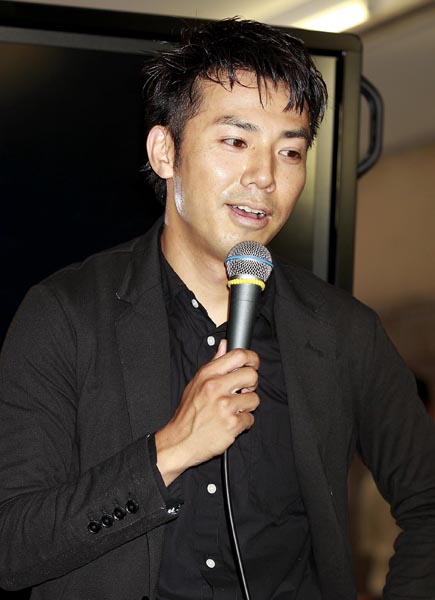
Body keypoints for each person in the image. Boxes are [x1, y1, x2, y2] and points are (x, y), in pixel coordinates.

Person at [1, 17, 435, 600]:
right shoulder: (65, 315)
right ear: (165, 152)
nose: (265, 177)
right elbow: (11, 544)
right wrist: (170, 450)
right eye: (236, 141)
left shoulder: (342, 330)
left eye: (290, 151)